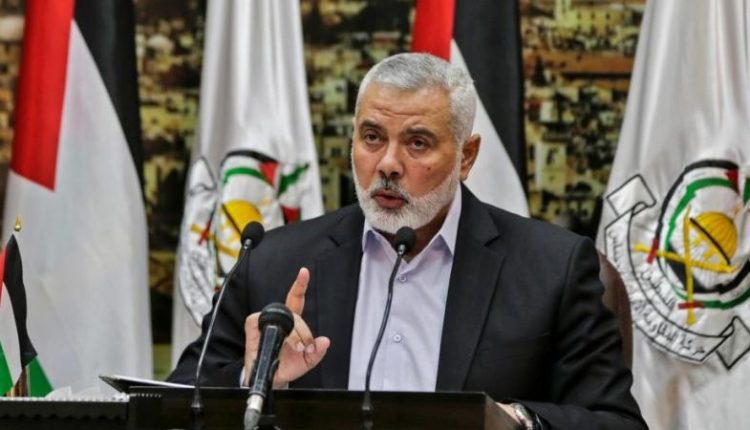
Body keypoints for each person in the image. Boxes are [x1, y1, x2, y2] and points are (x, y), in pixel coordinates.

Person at [169, 53, 646, 429]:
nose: (388, 164)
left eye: (417, 143)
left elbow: (615, 422)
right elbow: (172, 404)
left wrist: (514, 422)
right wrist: (253, 377)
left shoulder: (552, 269)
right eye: (372, 137)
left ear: (466, 156)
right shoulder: (272, 262)